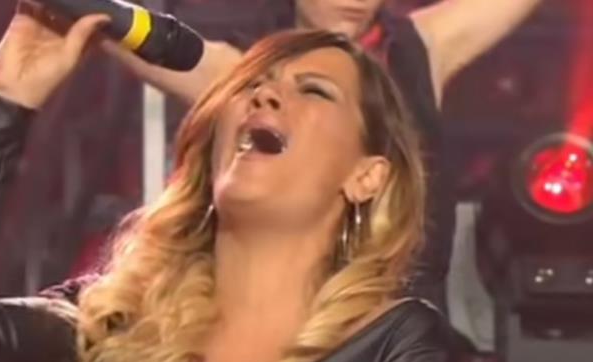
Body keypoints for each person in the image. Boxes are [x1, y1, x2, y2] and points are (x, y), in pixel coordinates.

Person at [0, 4, 464, 362]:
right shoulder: (120, 323)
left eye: (313, 90)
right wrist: (6, 100)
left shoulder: (395, 345)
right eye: (253, 85)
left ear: (366, 177)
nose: (265, 95)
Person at [104, 0, 543, 313]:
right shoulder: (244, 71)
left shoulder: (415, 50)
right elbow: (113, 24)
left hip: (397, 320)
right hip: (274, 325)